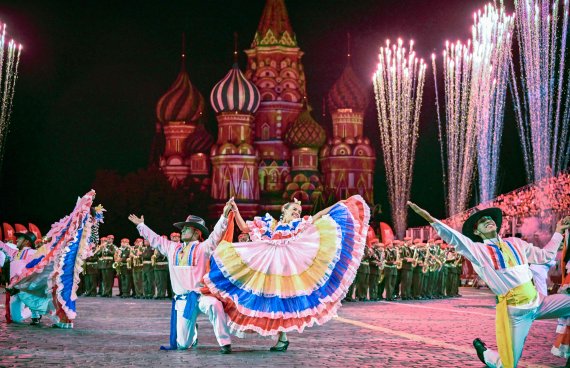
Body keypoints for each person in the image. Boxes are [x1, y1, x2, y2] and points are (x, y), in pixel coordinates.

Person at [408, 201, 570, 368]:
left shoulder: (516, 243)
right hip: (517, 313)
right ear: (477, 231)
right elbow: (455, 239)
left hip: (540, 302)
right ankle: (487, 355)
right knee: (508, 365)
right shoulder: (478, 251)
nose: (488, 220)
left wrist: (558, 231)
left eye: (490, 218)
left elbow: (545, 256)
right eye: (482, 221)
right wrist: (430, 219)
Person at [204, 195, 369, 352]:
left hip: (283, 269)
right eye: (294, 210)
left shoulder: (297, 226)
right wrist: (235, 209)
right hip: (263, 264)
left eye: (299, 211)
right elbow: (245, 228)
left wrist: (335, 205)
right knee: (256, 296)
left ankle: (282, 337)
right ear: (284, 210)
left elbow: (318, 215)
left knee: (280, 302)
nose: (297, 213)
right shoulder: (268, 223)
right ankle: (277, 335)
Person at [128, 198, 233, 353]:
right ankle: (193, 332)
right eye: (182, 228)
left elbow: (216, 236)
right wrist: (141, 226)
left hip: (200, 295)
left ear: (197, 233)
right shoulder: (172, 248)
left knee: (214, 305)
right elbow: (156, 240)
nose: (182, 231)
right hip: (183, 300)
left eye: (186, 229)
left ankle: (225, 342)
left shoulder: (203, 248)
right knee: (183, 344)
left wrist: (224, 216)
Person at [1, 191, 103, 328]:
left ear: (26, 242)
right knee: (16, 318)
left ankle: (47, 315)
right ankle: (37, 313)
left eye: (20, 238)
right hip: (17, 289)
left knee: (44, 299)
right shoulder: (14, 252)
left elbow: (46, 261)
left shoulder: (34, 253)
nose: (17, 240)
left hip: (28, 288)